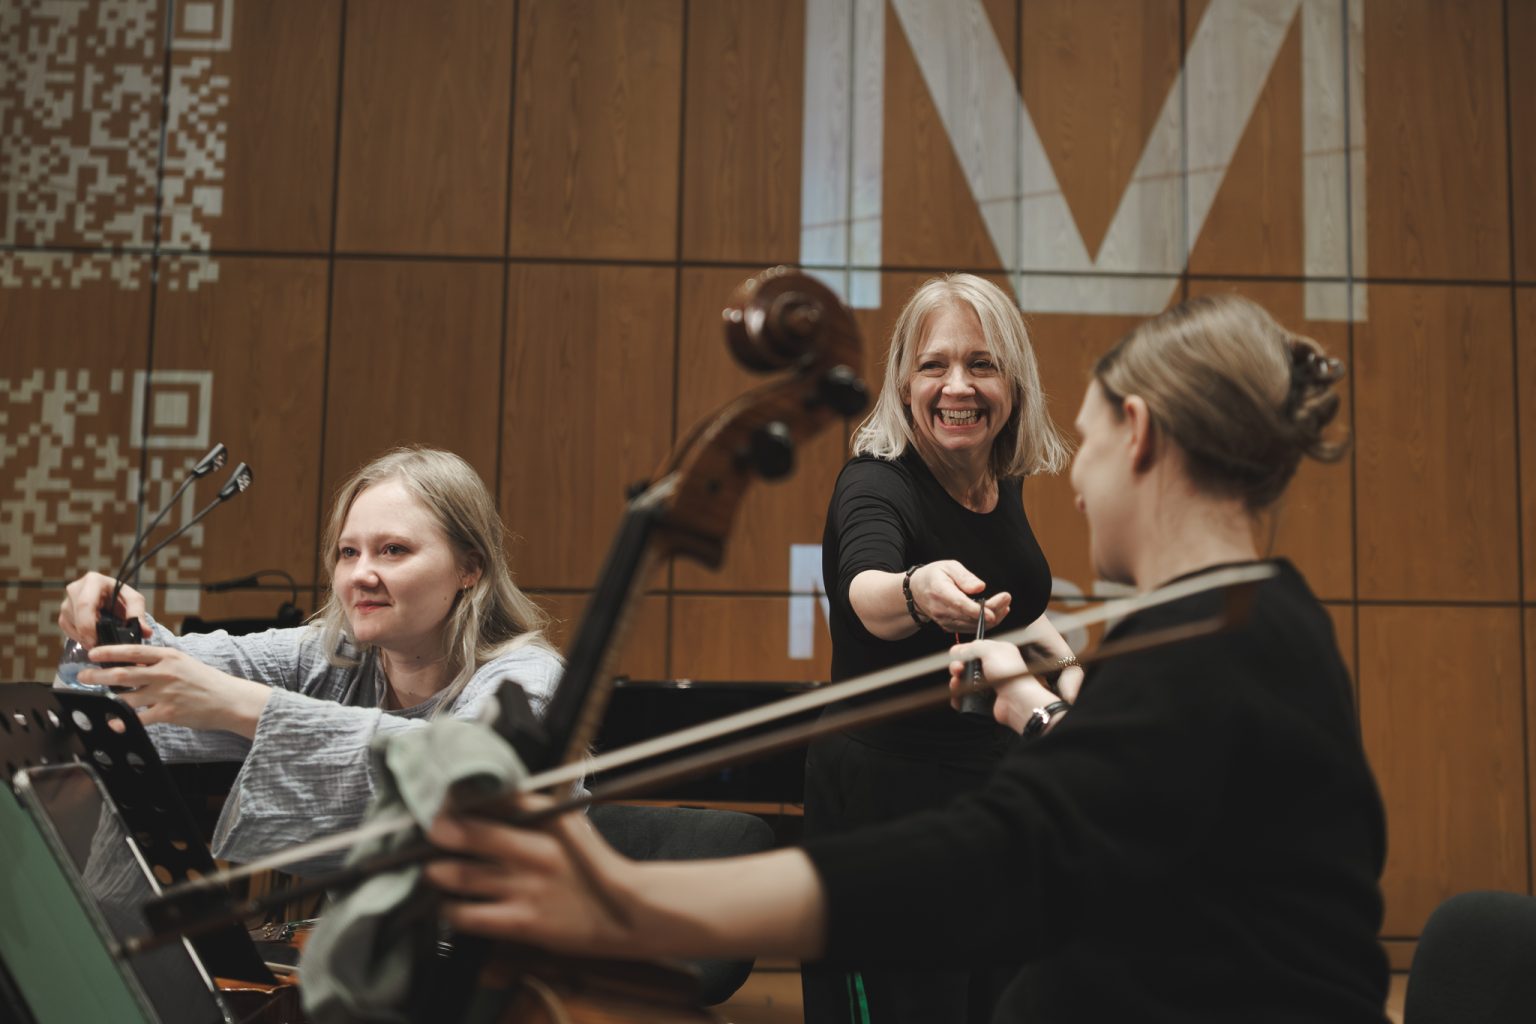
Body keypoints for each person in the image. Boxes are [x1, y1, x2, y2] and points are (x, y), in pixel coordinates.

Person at [424, 295, 1390, 1023]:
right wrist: (1028, 693)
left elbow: (990, 860)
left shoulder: (1199, 651)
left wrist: (623, 900)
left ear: (1137, 435)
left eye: (1091, 442)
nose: (1079, 485)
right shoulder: (1269, 620)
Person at [57, 446, 561, 873]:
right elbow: (130, 682)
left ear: (470, 567)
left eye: (393, 550)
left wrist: (246, 706)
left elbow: (474, 779)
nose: (360, 575)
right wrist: (104, 623)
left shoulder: (528, 677)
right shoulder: (330, 655)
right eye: (348, 552)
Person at [805, 273, 1079, 1021]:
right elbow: (866, 589)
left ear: (1013, 383)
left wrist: (1070, 671)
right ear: (904, 382)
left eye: (981, 364)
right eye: (935, 365)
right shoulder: (875, 483)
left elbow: (1014, 607)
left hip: (990, 786)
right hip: (887, 797)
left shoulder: (998, 478)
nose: (958, 386)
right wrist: (916, 588)